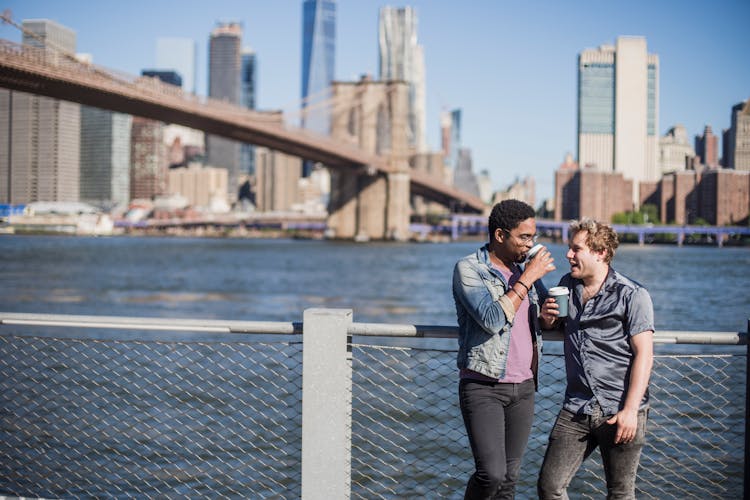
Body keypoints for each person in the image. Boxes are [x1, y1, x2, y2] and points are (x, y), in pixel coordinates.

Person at [537, 218, 654, 499]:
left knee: (620, 492)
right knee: (549, 486)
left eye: (576, 249)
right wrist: (547, 320)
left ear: (600, 252)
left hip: (619, 410)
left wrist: (630, 411)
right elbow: (554, 324)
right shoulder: (567, 285)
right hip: (576, 407)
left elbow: (644, 355)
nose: (568, 255)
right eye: (569, 248)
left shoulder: (632, 295)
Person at [452, 199, 556, 499]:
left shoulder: (525, 272)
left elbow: (538, 322)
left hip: (524, 386)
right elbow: (491, 319)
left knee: (509, 480)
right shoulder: (469, 269)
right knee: (491, 473)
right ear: (500, 235)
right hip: (484, 385)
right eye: (524, 237)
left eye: (532, 237)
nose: (530, 245)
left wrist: (547, 318)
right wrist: (528, 277)